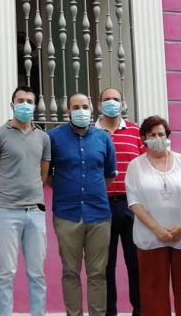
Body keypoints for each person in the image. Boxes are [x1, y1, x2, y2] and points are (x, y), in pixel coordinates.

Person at [125, 116, 181, 316]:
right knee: (153, 291)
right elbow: (134, 201)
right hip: (151, 237)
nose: (157, 138)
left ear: (168, 136)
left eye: (161, 134)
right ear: (143, 138)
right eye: (152, 135)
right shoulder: (135, 166)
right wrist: (157, 230)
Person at [48, 93, 118, 316]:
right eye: (75, 107)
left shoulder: (104, 138)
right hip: (67, 214)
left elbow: (109, 174)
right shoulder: (53, 137)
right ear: (67, 111)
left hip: (98, 214)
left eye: (85, 106)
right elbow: (47, 174)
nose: (81, 111)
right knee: (70, 271)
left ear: (92, 109)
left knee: (98, 273)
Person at [0, 86, 51, 316]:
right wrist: (0, 197)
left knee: (37, 273)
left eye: (29, 101)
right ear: (12, 104)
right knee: (6, 273)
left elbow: (42, 173)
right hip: (6, 212)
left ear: (34, 106)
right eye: (20, 100)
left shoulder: (43, 137)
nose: (24, 105)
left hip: (35, 212)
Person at [95, 88, 143, 316]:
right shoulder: (91, 133)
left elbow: (147, 166)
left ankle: (140, 311)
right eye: (107, 99)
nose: (111, 103)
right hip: (101, 206)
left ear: (123, 103)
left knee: (136, 264)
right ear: (99, 104)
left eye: (116, 99)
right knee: (105, 266)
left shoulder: (136, 131)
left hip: (131, 205)